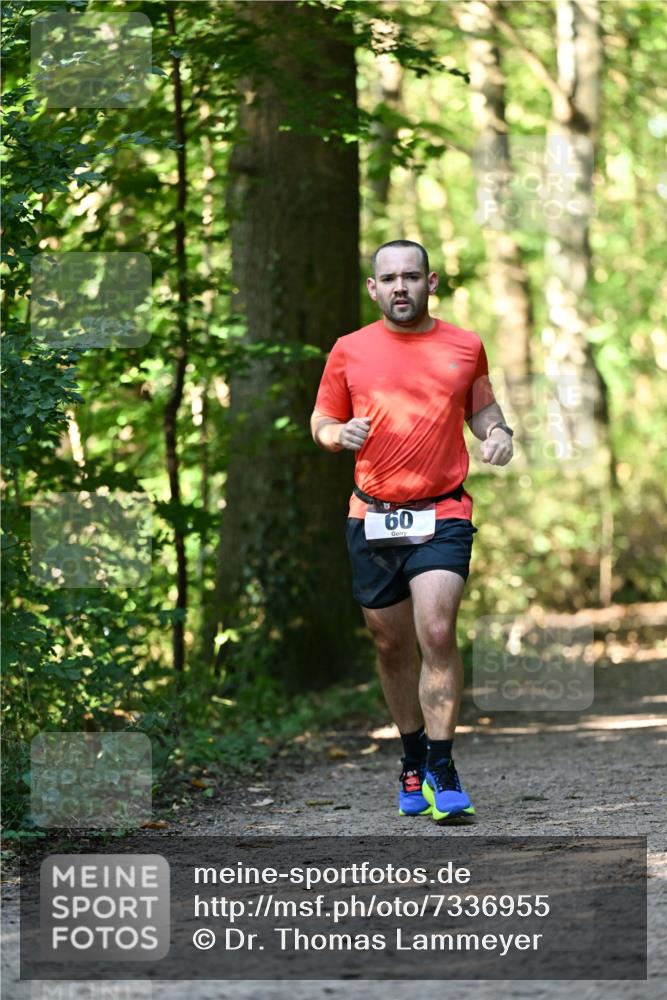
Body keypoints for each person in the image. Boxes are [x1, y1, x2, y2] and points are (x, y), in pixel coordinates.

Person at [310, 240, 514, 823]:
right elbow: (322, 418)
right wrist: (335, 435)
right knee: (390, 644)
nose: (401, 287)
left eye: (411, 277)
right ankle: (412, 757)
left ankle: (444, 768)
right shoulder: (349, 351)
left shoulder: (464, 345)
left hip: (442, 512)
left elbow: (482, 410)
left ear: (432, 282)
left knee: (436, 627)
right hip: (372, 514)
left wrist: (497, 432)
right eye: (388, 279)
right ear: (373, 289)